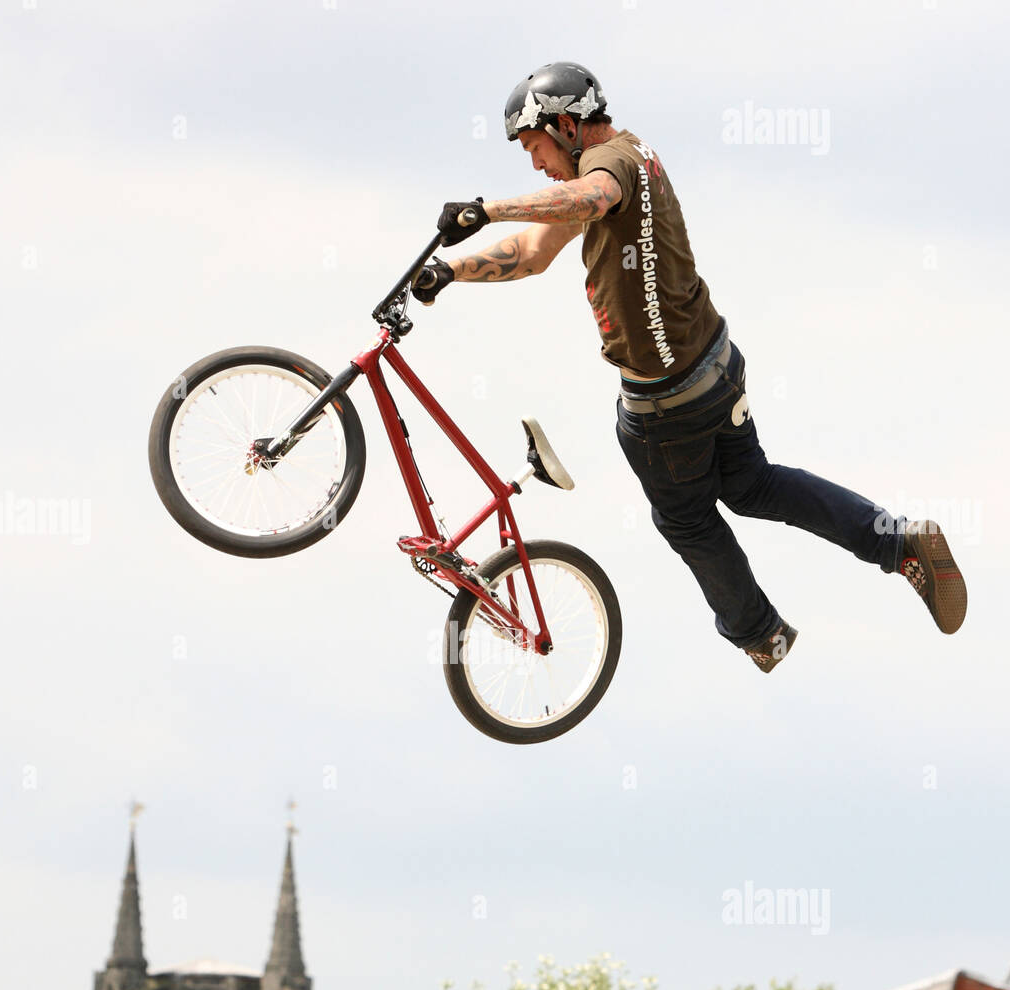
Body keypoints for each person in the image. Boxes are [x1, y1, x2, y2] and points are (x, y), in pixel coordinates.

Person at [412, 62, 967, 671]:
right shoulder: (632, 156)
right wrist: (452, 271)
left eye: (536, 147)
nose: (538, 165)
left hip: (666, 405)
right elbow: (536, 251)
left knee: (685, 519)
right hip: (716, 365)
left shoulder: (607, 169)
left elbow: (587, 196)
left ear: (568, 125)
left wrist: (488, 208)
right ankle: (897, 541)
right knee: (754, 485)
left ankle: (760, 632)